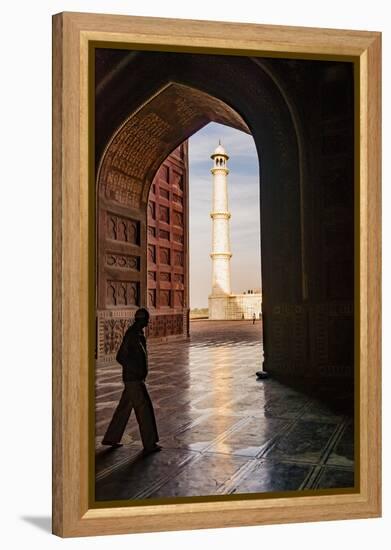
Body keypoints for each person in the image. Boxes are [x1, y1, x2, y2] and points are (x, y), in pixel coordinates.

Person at [101, 308, 161, 456]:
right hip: (133, 379)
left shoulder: (138, 333)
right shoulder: (132, 335)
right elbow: (120, 357)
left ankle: (111, 438)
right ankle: (149, 443)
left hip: (134, 378)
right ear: (141, 320)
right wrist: (135, 371)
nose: (147, 322)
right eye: (146, 319)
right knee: (144, 410)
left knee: (123, 409)